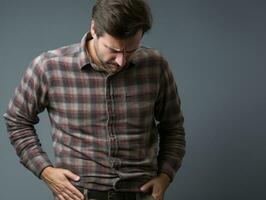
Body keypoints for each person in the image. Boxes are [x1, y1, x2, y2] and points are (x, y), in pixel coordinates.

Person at [3, 0, 186, 200]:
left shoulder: (155, 66)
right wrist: (44, 170)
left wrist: (165, 175)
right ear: (93, 29)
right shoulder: (49, 67)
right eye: (113, 50)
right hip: (79, 195)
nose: (121, 61)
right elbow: (16, 120)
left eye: (131, 50)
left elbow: (173, 127)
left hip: (141, 195)